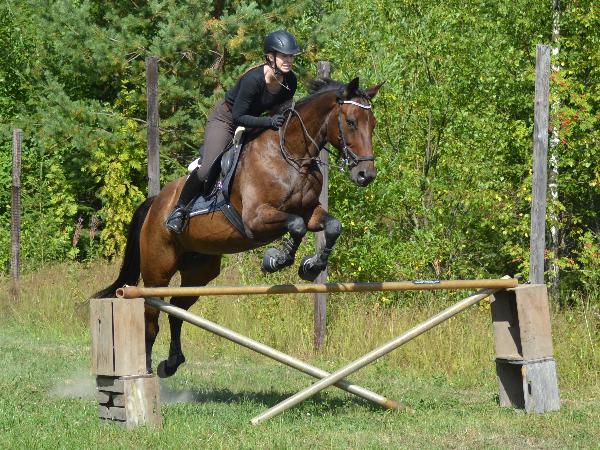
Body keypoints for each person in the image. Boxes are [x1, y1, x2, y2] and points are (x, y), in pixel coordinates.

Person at [165, 30, 301, 233]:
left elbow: (282, 112)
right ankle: (180, 209)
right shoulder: (253, 80)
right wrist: (268, 121)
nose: (288, 60)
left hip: (256, 121)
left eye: (291, 56)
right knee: (207, 168)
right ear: (270, 56)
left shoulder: (290, 81)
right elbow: (238, 117)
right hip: (227, 119)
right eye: (284, 56)